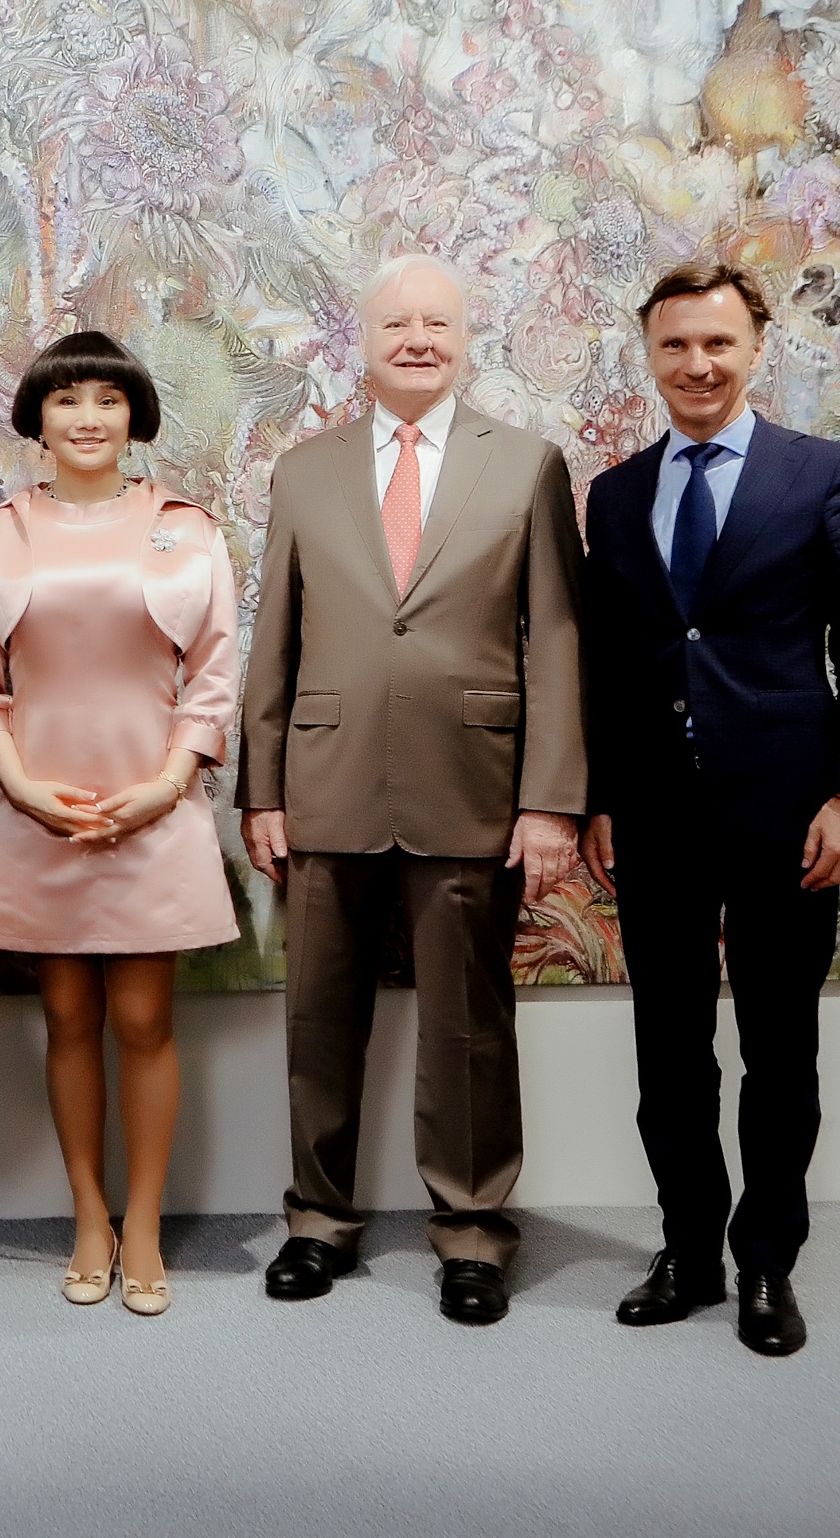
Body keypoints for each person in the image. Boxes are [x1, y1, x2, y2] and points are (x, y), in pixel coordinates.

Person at [237, 253, 585, 1327]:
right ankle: (317, 1220)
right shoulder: (304, 470)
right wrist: (261, 789)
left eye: (438, 323)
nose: (419, 340)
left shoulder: (527, 465)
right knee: (318, 1017)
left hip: (474, 783)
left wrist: (551, 798)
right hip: (324, 779)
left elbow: (556, 641)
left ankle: (473, 1233)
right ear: (364, 342)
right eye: (398, 325)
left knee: (470, 1027)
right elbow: (274, 638)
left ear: (466, 339)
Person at [579, 261, 840, 1358]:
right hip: (655, 818)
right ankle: (687, 1252)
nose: (698, 364)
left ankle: (767, 1261)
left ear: (757, 347)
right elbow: (612, 663)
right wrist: (601, 798)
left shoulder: (823, 474)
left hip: (790, 813)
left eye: (718, 342)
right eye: (675, 345)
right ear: (649, 354)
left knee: (780, 1053)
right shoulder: (616, 493)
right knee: (670, 1054)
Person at [0, 332, 241, 1318]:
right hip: (39, 809)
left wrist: (167, 784)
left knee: (146, 1021)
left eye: (107, 400)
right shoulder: (1, 532)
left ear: (134, 416)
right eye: (67, 398)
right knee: (69, 1020)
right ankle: (89, 1214)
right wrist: (21, 787)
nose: (87, 417)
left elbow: (213, 674)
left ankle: (146, 1222)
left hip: (153, 807)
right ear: (37, 418)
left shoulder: (186, 528)